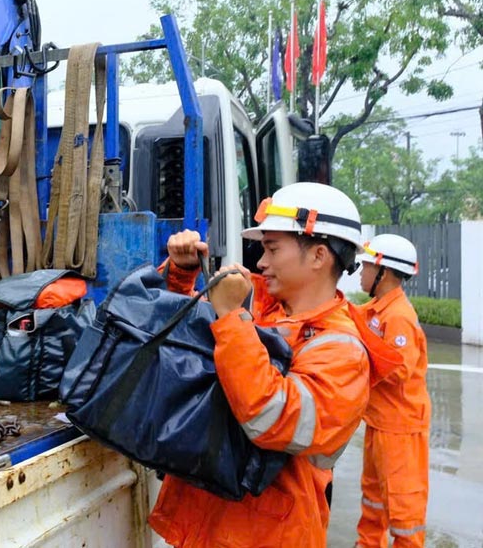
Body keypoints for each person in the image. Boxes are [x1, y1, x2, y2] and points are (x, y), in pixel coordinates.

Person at [150, 182, 381, 548]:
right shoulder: (265, 310)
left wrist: (229, 316)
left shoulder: (342, 350)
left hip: (267, 536)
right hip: (212, 526)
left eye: (272, 248)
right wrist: (182, 274)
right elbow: (178, 346)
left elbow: (273, 419)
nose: (261, 261)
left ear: (319, 256)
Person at [354, 234, 430, 548]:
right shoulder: (375, 310)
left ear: (383, 273)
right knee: (372, 499)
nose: (360, 271)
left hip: (400, 428)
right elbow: (347, 320)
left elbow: (398, 370)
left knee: (403, 509)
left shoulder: (398, 317)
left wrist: (362, 357)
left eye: (367, 265)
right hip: (380, 423)